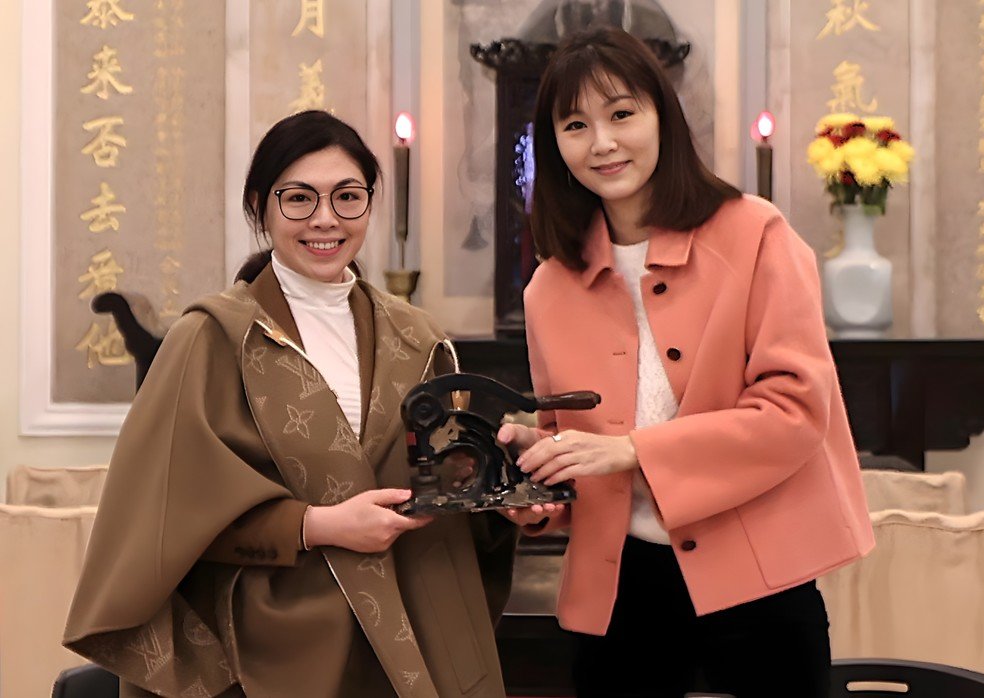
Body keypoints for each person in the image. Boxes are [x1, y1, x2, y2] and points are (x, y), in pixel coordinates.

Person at [64, 110, 515, 698]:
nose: (326, 218)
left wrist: (507, 493)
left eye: (347, 196)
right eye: (299, 198)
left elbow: (449, 477)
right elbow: (162, 517)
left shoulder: (418, 337)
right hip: (279, 644)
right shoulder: (211, 339)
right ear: (261, 207)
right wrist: (316, 525)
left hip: (412, 622)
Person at [496, 27, 875, 698]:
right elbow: (573, 450)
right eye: (575, 125)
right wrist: (534, 476)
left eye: (622, 114)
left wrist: (630, 451)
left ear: (662, 117)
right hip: (620, 591)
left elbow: (793, 413)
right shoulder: (548, 289)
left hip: (760, 582)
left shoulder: (755, 234)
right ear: (553, 146)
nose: (602, 142)